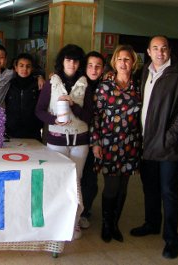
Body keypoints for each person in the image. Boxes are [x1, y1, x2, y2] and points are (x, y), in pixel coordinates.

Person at [130, 35, 178, 259]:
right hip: (146, 143)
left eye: (163, 48)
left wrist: (170, 138)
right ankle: (152, 223)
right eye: (155, 48)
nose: (160, 52)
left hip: (168, 147)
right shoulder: (146, 71)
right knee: (150, 188)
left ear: (169, 50)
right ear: (148, 52)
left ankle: (171, 239)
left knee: (169, 192)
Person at [35, 44, 92, 240]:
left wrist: (73, 105)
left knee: (75, 182)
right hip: (56, 139)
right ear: (62, 62)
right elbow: (39, 110)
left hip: (80, 141)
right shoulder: (52, 83)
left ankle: (74, 222)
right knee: (56, 180)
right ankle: (55, 221)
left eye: (75, 60)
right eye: (68, 60)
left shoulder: (86, 84)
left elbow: (89, 116)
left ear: (80, 64)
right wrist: (54, 120)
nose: (72, 64)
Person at [91, 45, 141, 243]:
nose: (123, 63)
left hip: (130, 144)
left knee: (123, 187)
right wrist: (95, 142)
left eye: (127, 59)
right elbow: (96, 116)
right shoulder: (105, 87)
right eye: (119, 59)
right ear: (114, 62)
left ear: (133, 63)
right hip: (109, 143)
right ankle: (106, 224)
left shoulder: (138, 87)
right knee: (111, 187)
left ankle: (115, 224)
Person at [79, 51, 105, 229]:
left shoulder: (106, 86)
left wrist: (96, 141)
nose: (94, 69)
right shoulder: (78, 83)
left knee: (90, 178)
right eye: (90, 65)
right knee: (76, 177)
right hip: (77, 138)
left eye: (98, 66)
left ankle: (84, 211)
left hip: (96, 139)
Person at [0, 44, 45, 108]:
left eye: (1, 57)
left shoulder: (9, 74)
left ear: (5, 60)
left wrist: (40, 77)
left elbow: (25, 72)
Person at [5, 53, 43, 141]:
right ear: (16, 68)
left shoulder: (38, 85)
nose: (24, 69)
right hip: (11, 132)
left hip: (33, 132)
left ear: (32, 68)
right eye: (21, 66)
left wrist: (40, 76)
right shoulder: (9, 84)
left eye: (28, 66)